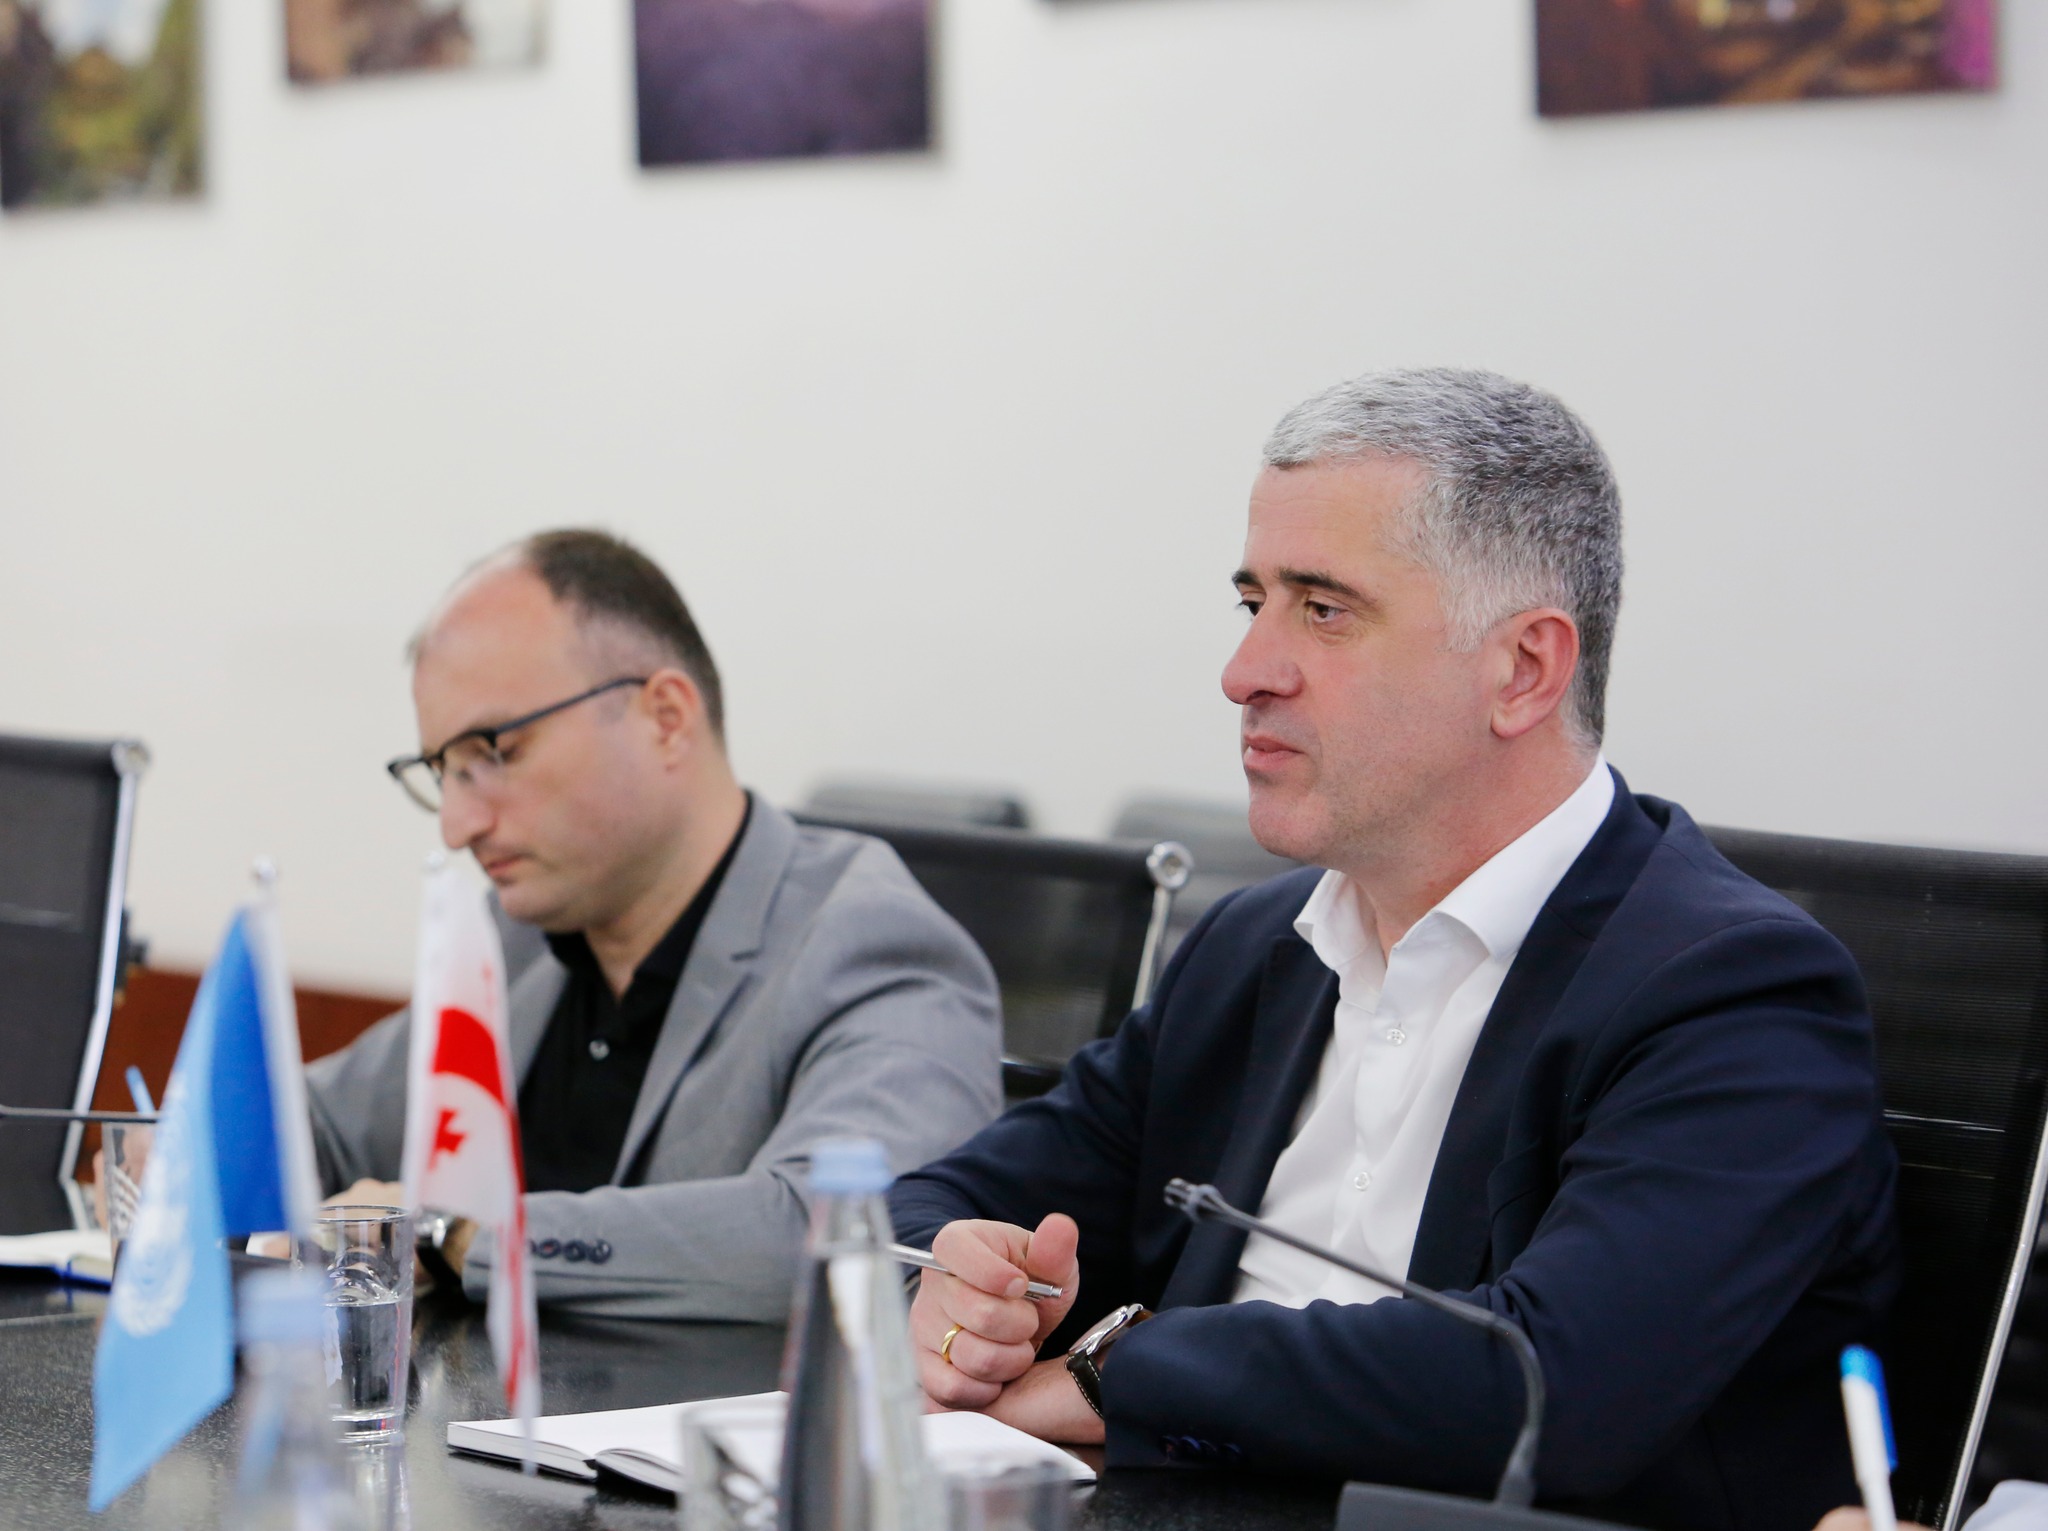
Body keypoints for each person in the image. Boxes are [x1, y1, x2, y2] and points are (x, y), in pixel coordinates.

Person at [890, 369, 1900, 1531]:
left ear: (1522, 670)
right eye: (1251, 602)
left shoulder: (1734, 995)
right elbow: (934, 1203)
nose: (1244, 671)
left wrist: (1121, 1364)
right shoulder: (1254, 948)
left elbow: (1543, 1389)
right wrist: (950, 1286)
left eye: (1322, 610)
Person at [307, 529, 1002, 1320]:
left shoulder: (873, 944)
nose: (458, 825)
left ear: (666, 718)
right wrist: (199, 1138)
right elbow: (323, 1125)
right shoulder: (522, 936)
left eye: (494, 752)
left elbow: (842, 1236)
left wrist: (456, 1234)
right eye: (444, 772)